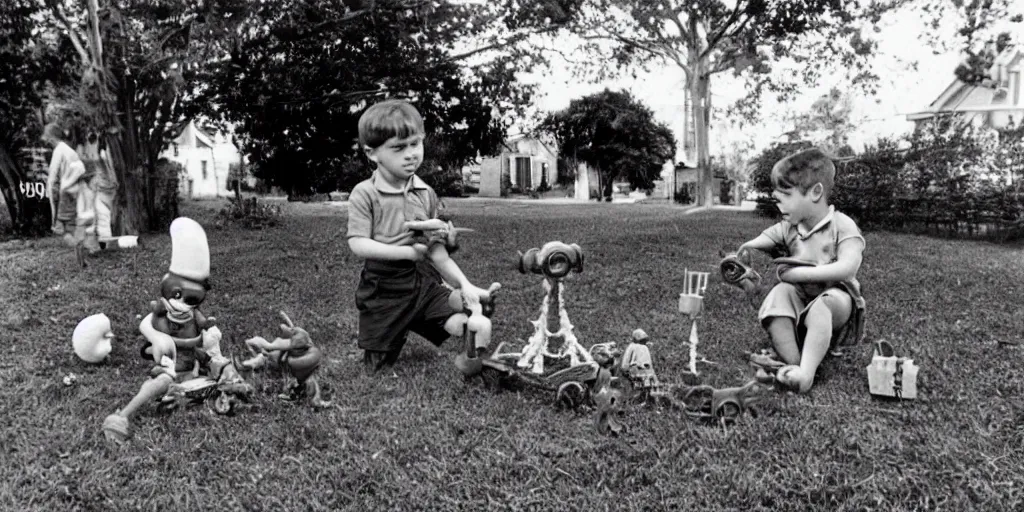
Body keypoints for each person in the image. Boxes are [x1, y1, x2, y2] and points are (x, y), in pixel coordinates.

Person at [346, 99, 497, 374]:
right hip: (383, 284)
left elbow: (435, 253)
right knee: (376, 367)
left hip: (421, 279)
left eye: (415, 144)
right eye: (398, 148)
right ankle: (396, 335)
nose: (411, 154)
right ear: (372, 153)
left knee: (453, 299)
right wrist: (404, 252)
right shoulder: (365, 193)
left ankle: (457, 312)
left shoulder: (425, 193)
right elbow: (357, 243)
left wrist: (464, 283)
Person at [736, 147, 866, 393]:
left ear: (815, 193)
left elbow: (848, 268)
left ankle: (806, 375)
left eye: (785, 195)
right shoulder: (790, 226)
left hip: (837, 300)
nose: (779, 203)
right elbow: (767, 238)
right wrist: (748, 249)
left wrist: (799, 275)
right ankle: (794, 363)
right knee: (778, 295)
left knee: (823, 304)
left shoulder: (841, 225)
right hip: (801, 297)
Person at [43, 123, 91, 246]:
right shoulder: (70, 151)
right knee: (74, 222)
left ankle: (79, 243)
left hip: (66, 192)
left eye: (47, 138)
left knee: (63, 227)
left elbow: (53, 177)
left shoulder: (58, 151)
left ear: (51, 137)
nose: (46, 141)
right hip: (77, 190)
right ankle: (84, 243)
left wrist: (51, 194)